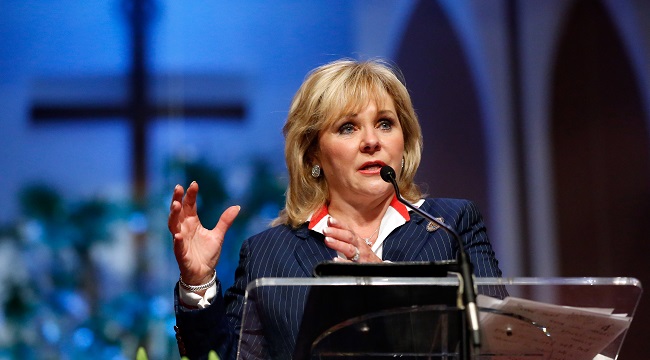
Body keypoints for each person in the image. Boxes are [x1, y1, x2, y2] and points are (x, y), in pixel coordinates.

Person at [168, 58, 505, 360]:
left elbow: (501, 341)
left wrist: (390, 282)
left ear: (405, 142)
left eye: (385, 123)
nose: (371, 141)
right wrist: (198, 283)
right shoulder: (267, 253)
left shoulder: (453, 226)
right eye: (348, 127)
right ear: (312, 154)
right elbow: (227, 357)